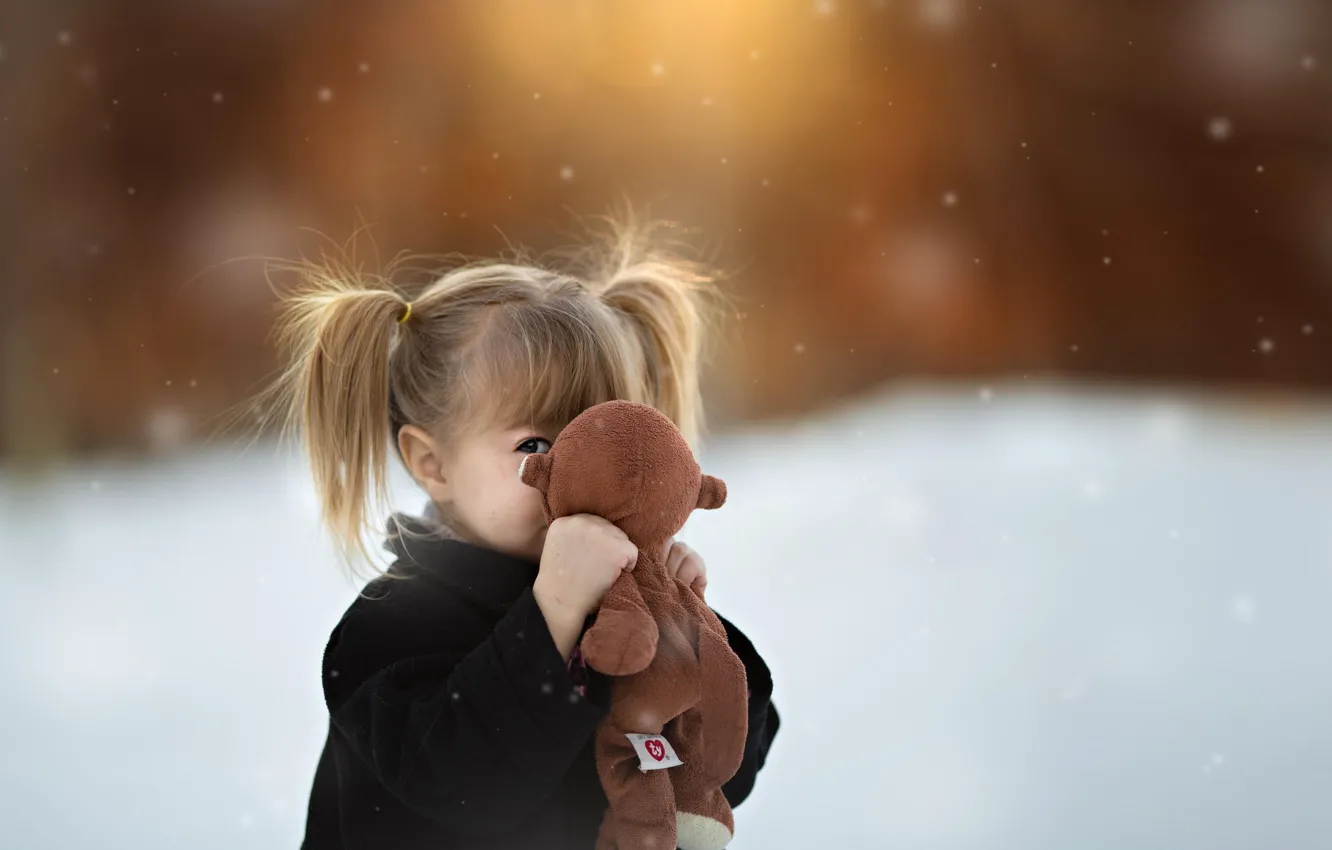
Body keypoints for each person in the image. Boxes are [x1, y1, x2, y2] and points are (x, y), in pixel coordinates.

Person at [262, 211, 779, 849]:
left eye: (605, 433)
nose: (585, 473)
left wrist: (694, 631)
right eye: (534, 443)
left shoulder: (626, 605)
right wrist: (551, 612)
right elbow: (465, 787)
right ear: (432, 464)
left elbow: (727, 773)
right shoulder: (388, 630)